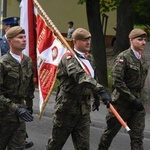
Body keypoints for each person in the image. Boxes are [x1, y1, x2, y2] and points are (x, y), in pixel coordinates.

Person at [46, 28, 112, 150]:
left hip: (83, 110)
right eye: (84, 40)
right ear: (75, 41)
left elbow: (93, 77)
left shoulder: (89, 58)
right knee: (55, 144)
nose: (88, 42)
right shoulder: (69, 58)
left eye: (89, 39)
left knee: (83, 146)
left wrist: (96, 97)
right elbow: (81, 76)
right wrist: (101, 90)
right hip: (66, 109)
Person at [98, 28, 148, 150]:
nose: (143, 42)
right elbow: (117, 81)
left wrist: (140, 100)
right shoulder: (123, 57)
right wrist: (132, 99)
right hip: (121, 104)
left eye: (145, 40)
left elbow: (141, 82)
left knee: (137, 138)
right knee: (109, 134)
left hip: (137, 106)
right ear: (131, 40)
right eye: (140, 39)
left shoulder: (143, 60)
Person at [0, 16, 34, 149]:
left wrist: (29, 105)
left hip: (20, 116)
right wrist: (16, 108)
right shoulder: (3, 63)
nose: (24, 40)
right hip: (3, 115)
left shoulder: (27, 61)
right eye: (20, 38)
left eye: (24, 37)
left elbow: (30, 86)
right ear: (10, 41)